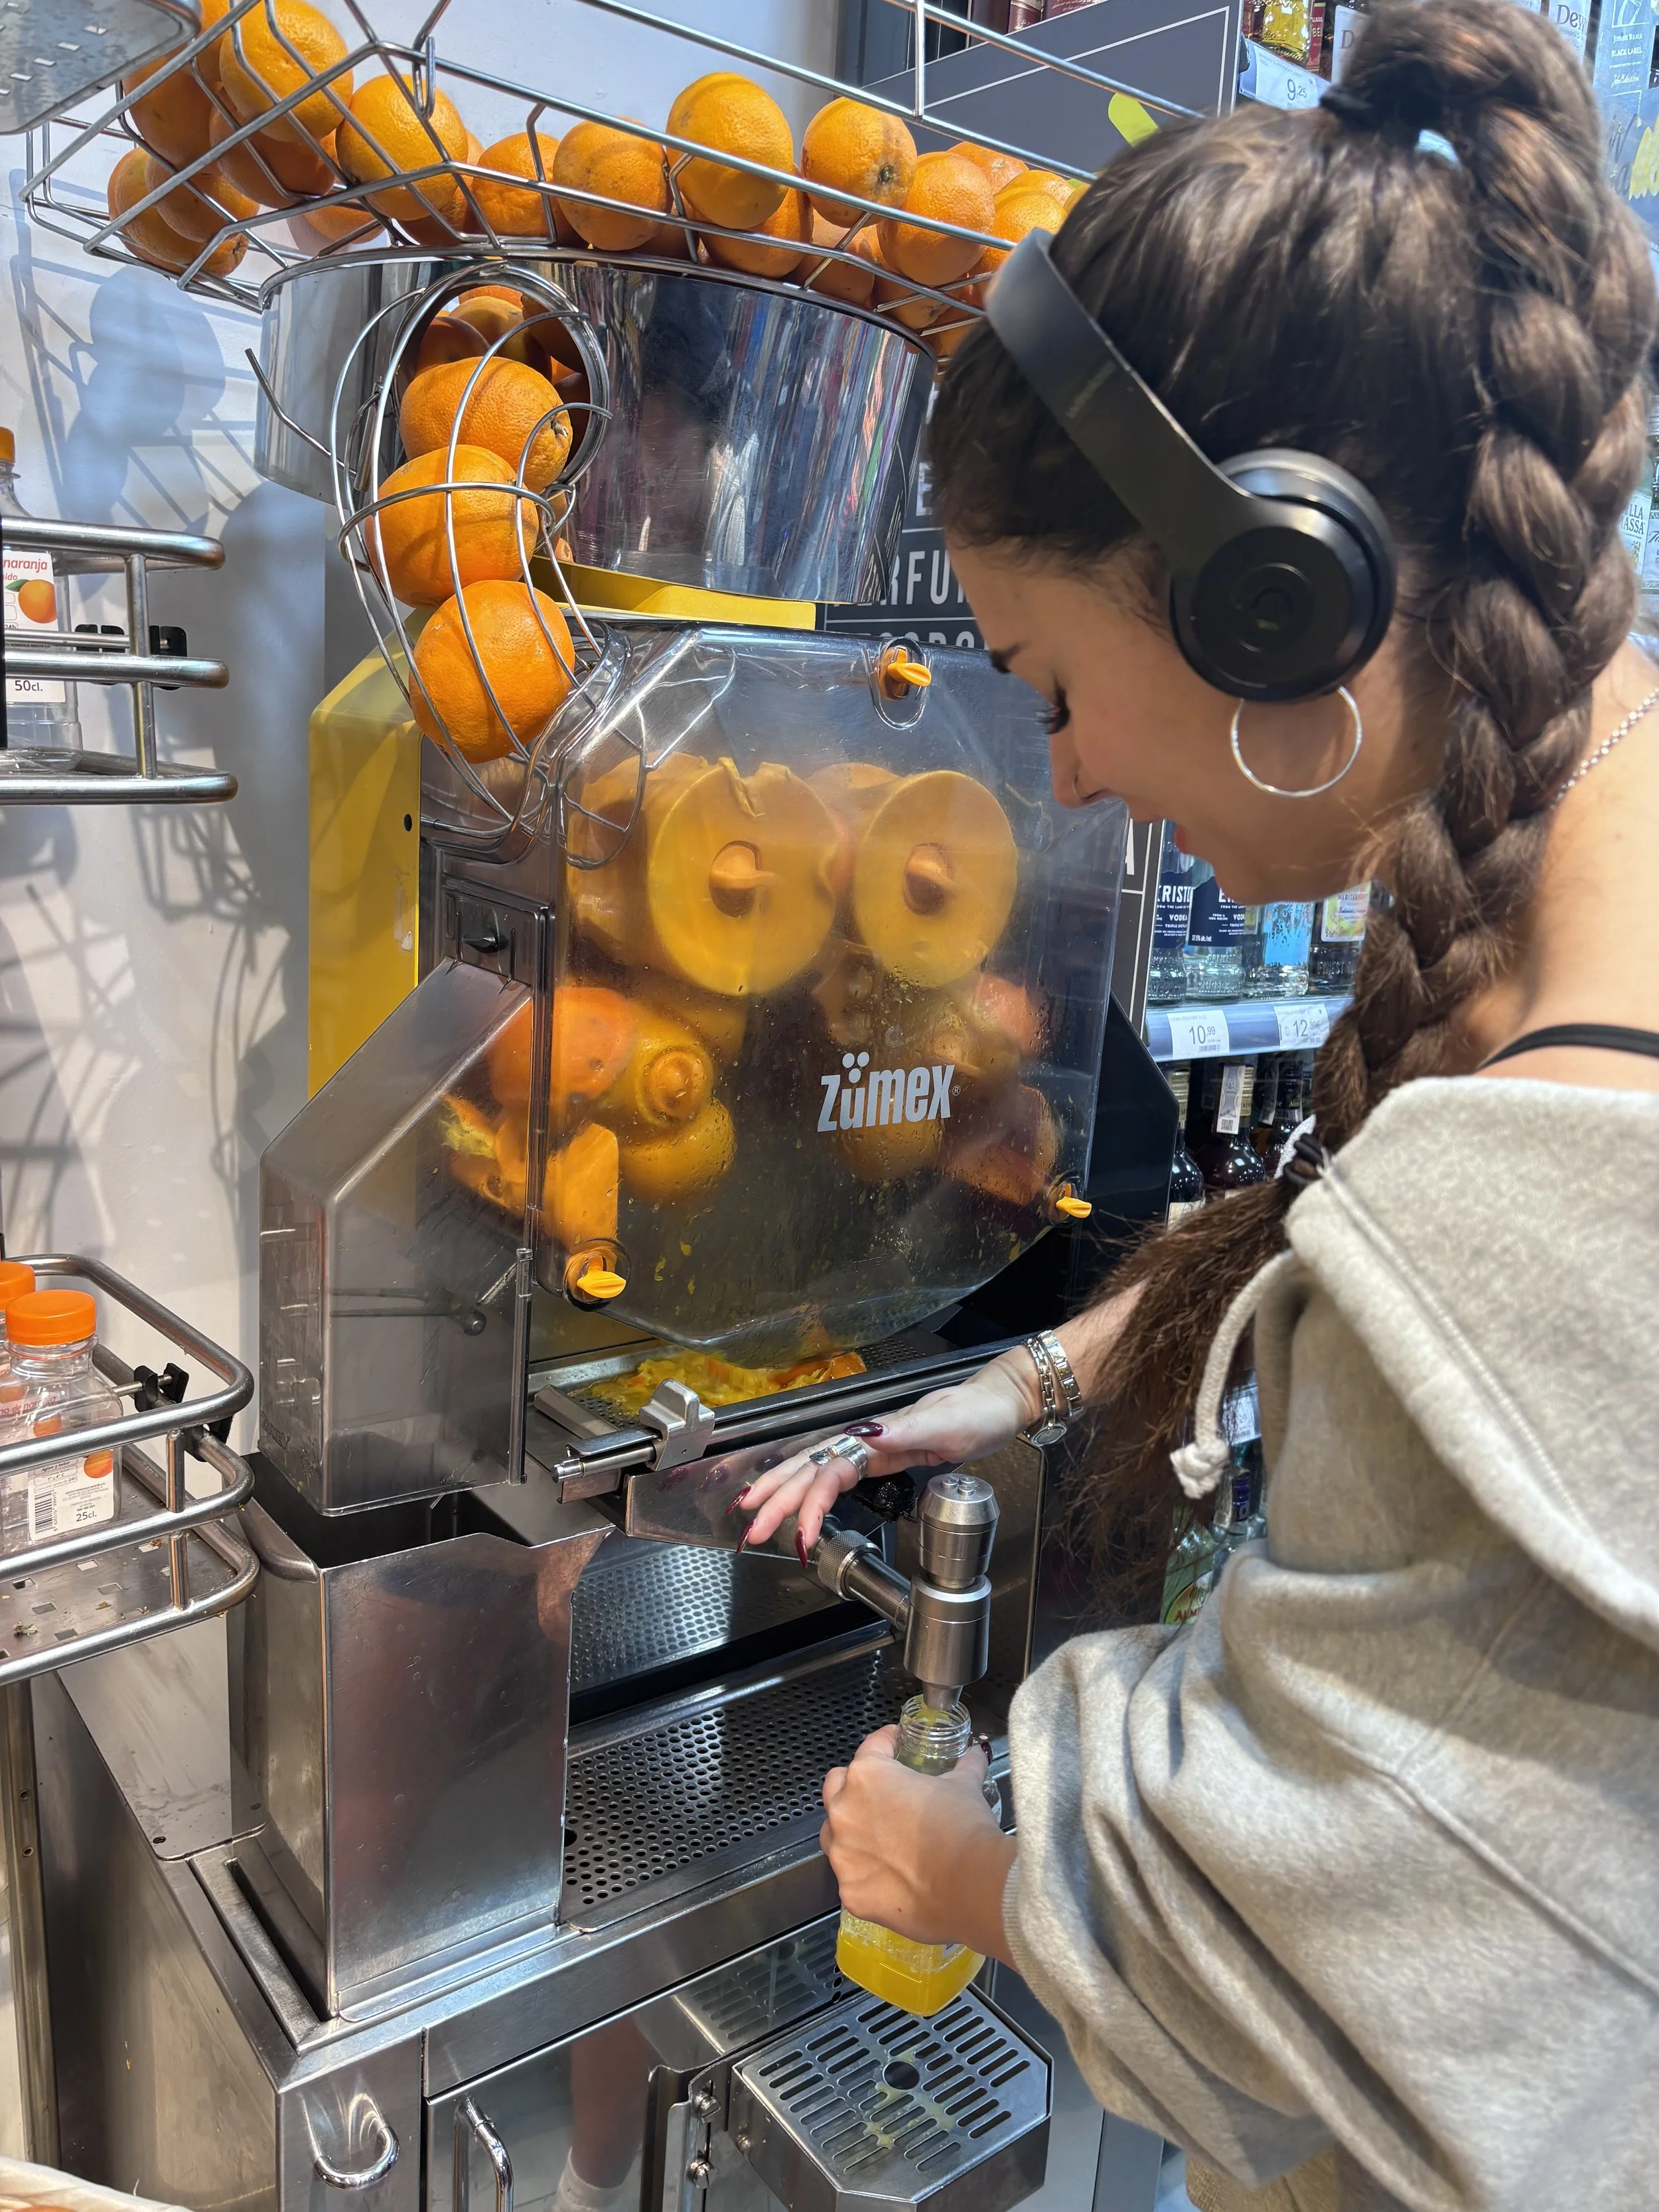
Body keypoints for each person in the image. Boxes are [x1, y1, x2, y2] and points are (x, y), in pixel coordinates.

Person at [734, 3, 1659, 2205]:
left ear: (1272, 594)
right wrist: (1041, 1372)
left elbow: (1402, 1969)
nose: (1051, 774)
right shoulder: (1556, 939)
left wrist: (984, 1852)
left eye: (1048, 683)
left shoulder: (1533, 1206)